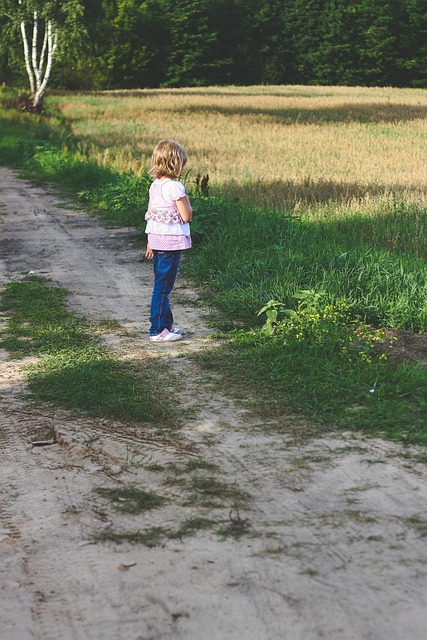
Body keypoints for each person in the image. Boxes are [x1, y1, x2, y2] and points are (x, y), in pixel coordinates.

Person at [145, 139, 193, 342]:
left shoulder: (155, 185)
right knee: (163, 287)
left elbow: (151, 214)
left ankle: (167, 324)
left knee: (162, 285)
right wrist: (186, 197)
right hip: (170, 242)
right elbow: (187, 215)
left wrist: (149, 242)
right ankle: (157, 330)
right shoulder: (175, 187)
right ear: (176, 163)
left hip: (157, 240)